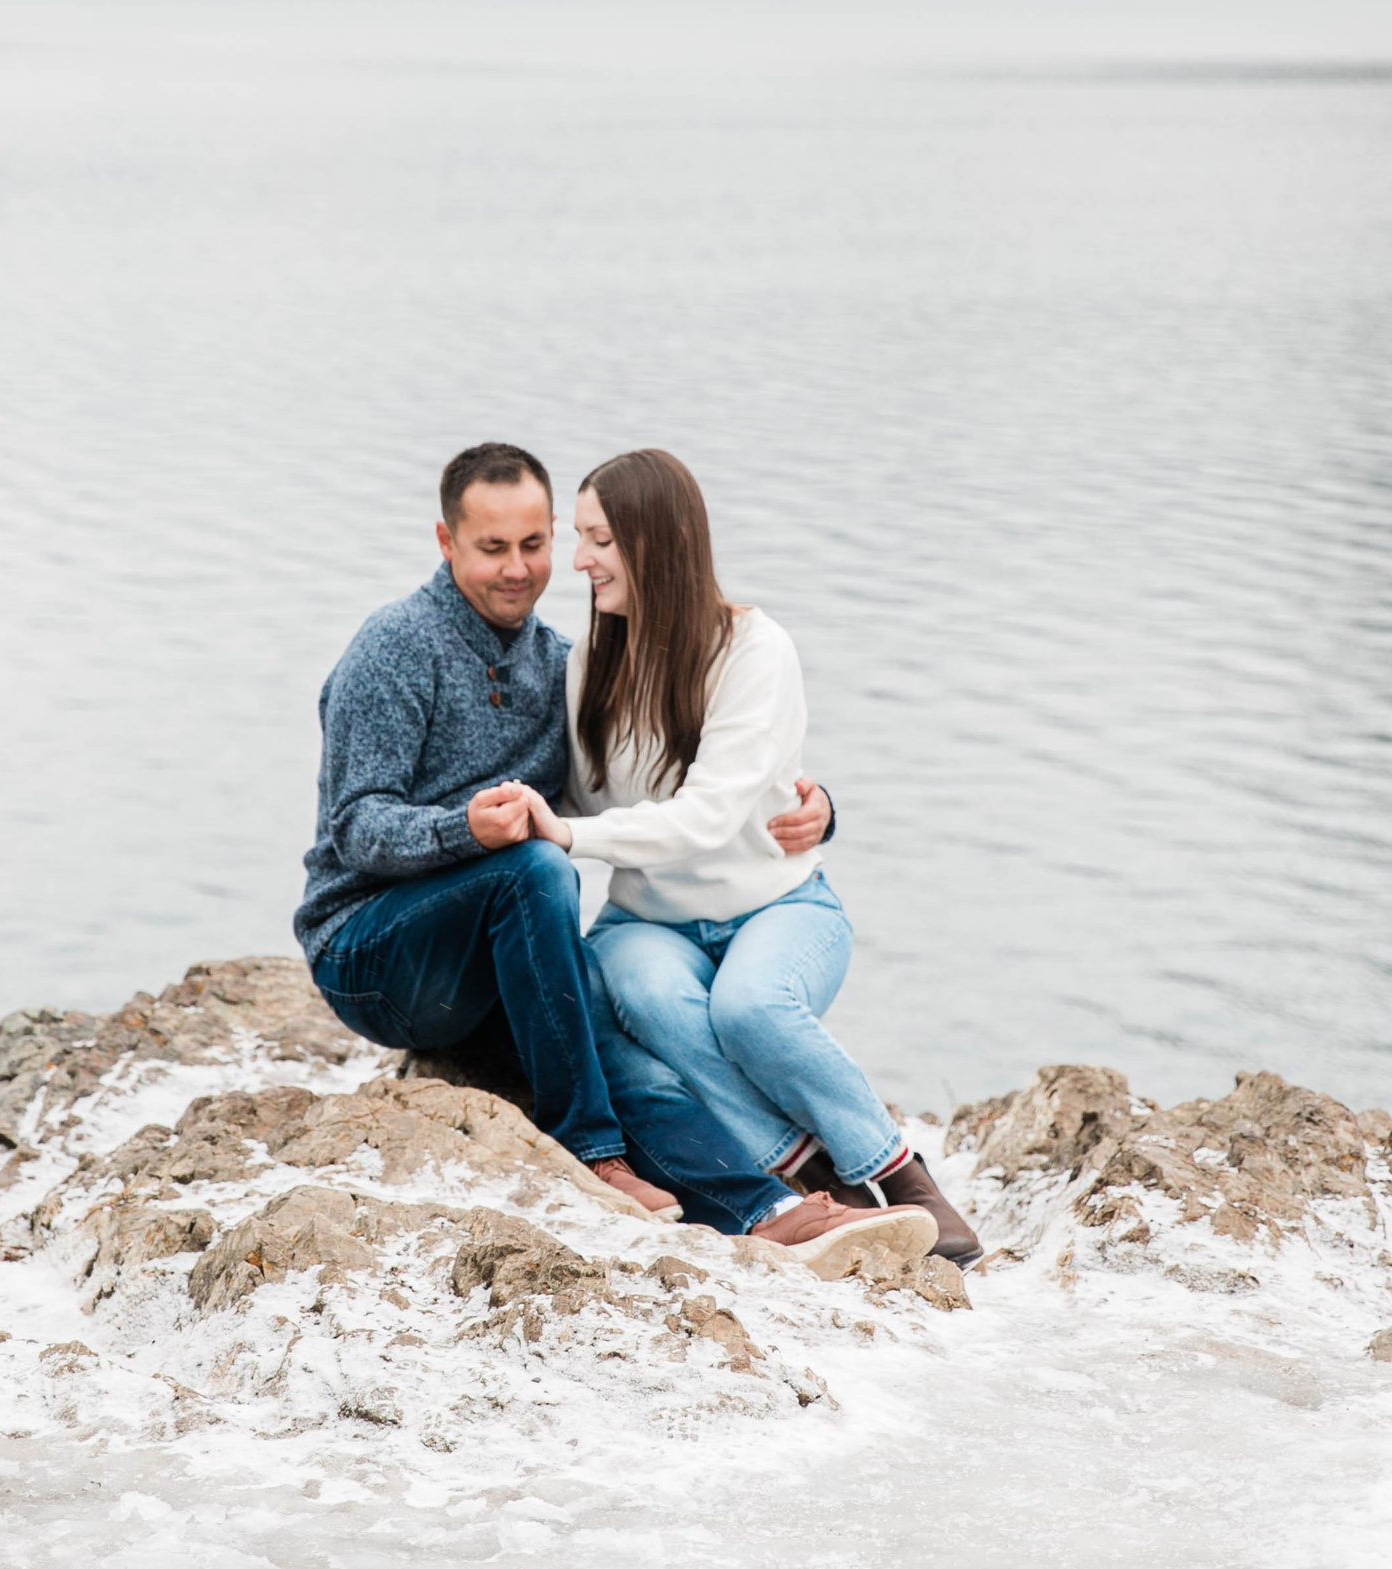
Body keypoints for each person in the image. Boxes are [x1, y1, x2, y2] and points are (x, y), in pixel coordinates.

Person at [297, 444, 940, 1273]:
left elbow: (632, 795)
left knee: (599, 1010)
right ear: (445, 540)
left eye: (535, 543)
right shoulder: (395, 647)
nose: (520, 569)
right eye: (492, 548)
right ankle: (598, 1154)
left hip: (487, 947)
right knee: (537, 874)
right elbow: (355, 827)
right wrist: (466, 829)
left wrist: (811, 806)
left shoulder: (557, 664)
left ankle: (764, 1208)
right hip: (371, 951)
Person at [511, 448, 981, 1266]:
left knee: (751, 1008)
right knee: (649, 992)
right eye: (579, 538)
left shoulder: (756, 651)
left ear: (657, 542)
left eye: (599, 540)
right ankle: (806, 1170)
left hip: (780, 905)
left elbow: (704, 815)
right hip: (645, 919)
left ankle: (900, 1177)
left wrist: (570, 836)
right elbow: (590, 801)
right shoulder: (593, 659)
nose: (578, 561)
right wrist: (542, 818)